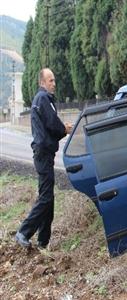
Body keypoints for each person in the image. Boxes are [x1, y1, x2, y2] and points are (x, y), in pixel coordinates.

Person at [15, 68, 73, 249]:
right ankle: (24, 232)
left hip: (45, 154)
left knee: (48, 197)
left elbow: (51, 130)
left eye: (54, 80)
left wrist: (62, 130)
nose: (54, 83)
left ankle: (43, 241)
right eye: (50, 80)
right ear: (42, 82)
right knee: (46, 197)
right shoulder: (43, 99)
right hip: (42, 154)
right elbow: (53, 124)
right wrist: (64, 128)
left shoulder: (44, 100)